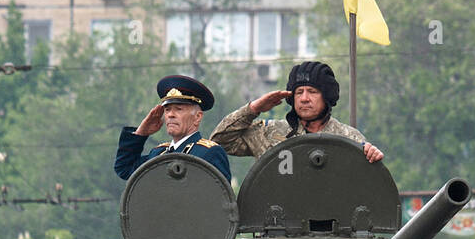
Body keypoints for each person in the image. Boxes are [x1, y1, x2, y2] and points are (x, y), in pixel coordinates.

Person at [211, 60, 384, 163]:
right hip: (278, 221)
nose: (304, 98)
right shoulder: (269, 133)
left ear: (327, 97)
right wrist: (253, 109)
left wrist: (372, 155)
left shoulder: (349, 139)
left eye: (313, 92)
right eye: (299, 92)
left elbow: (364, 182)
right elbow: (220, 141)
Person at [114, 76, 232, 182]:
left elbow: (220, 198)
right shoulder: (158, 153)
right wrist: (141, 133)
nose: (171, 115)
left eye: (178, 109)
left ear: (197, 117)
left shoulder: (209, 153)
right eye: (167, 109)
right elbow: (125, 168)